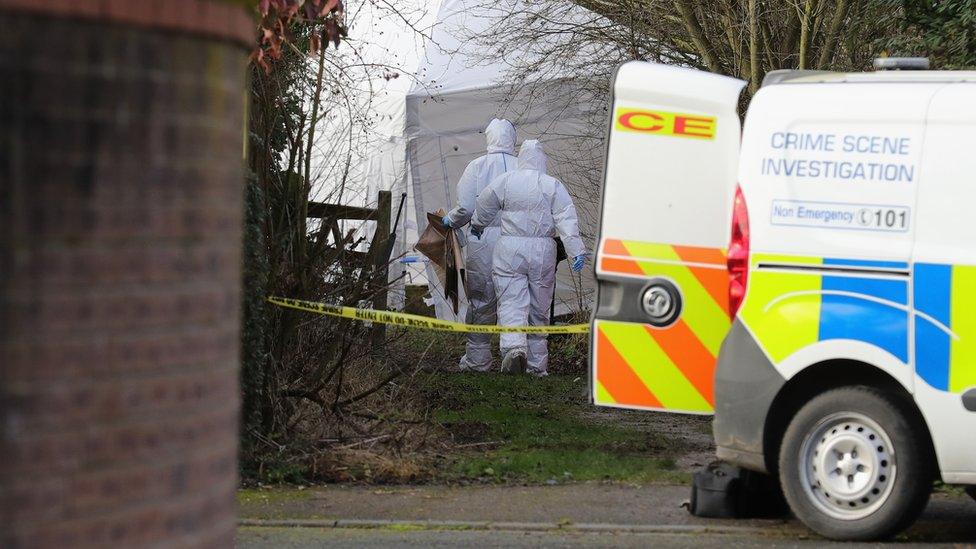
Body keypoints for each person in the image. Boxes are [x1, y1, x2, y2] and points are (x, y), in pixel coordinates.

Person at [471, 140, 586, 376]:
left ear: (521, 158)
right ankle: (537, 366)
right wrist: (576, 251)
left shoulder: (507, 181)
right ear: (542, 160)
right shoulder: (551, 184)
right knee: (539, 307)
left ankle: (514, 350)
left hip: (510, 249)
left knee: (512, 301)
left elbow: (485, 202)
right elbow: (567, 219)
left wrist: (478, 224)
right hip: (543, 249)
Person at [442, 118, 518, 372]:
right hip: (515, 239)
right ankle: (514, 354)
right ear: (512, 138)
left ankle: (477, 361)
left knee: (481, 297)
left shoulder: (476, 167)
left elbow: (466, 207)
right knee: (514, 297)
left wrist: (450, 220)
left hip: (482, 238)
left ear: (489, 138)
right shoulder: (524, 167)